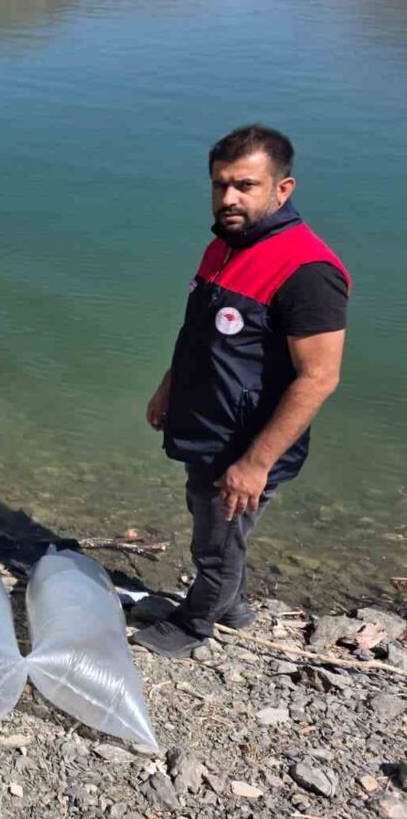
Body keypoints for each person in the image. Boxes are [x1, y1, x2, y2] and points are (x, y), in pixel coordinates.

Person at [135, 124, 348, 658]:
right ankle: (232, 604)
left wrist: (256, 463)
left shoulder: (308, 271)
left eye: (244, 186)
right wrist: (168, 386)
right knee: (211, 521)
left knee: (216, 539)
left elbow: (319, 377)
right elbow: (203, 334)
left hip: (248, 440)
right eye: (219, 185)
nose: (227, 198)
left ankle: (195, 624)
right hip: (207, 423)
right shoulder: (225, 245)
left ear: (283, 188)